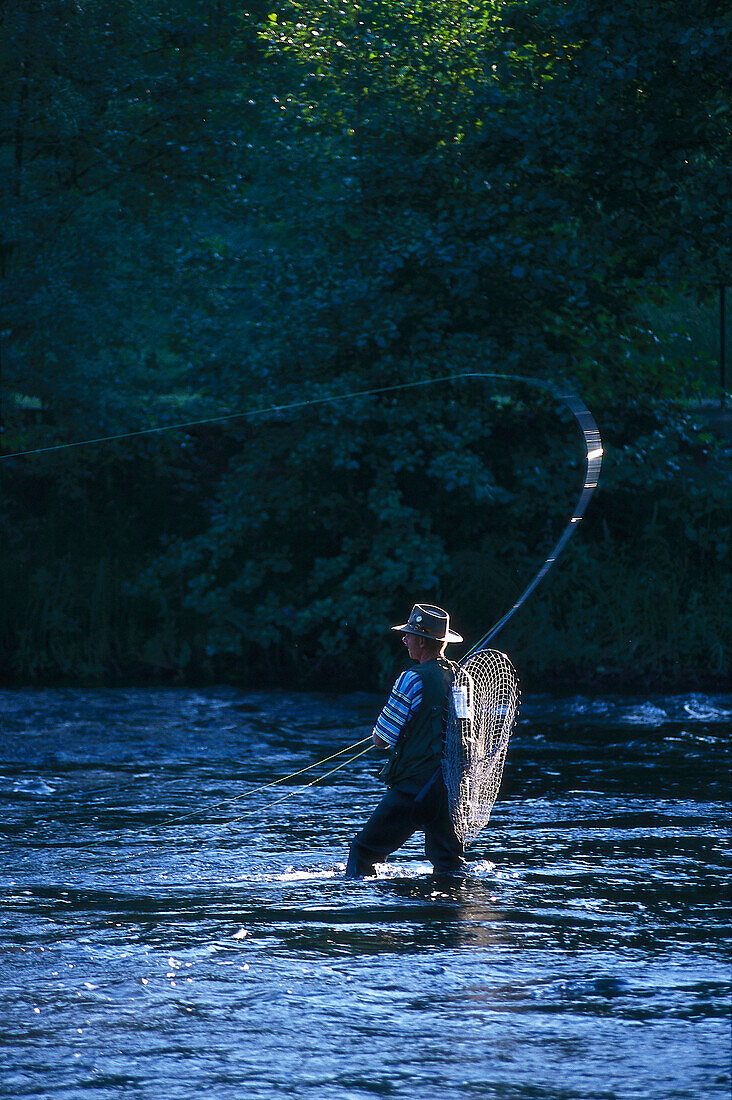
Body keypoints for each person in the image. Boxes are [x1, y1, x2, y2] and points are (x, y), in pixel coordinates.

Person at [345, 603, 465, 878]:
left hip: (413, 788)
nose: (405, 639)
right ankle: (445, 916)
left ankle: (363, 911)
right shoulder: (462, 677)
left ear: (422, 641)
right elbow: (465, 732)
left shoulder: (411, 679)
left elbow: (382, 739)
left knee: (363, 851)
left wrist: (378, 735)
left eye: (409, 635)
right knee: (449, 865)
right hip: (449, 791)